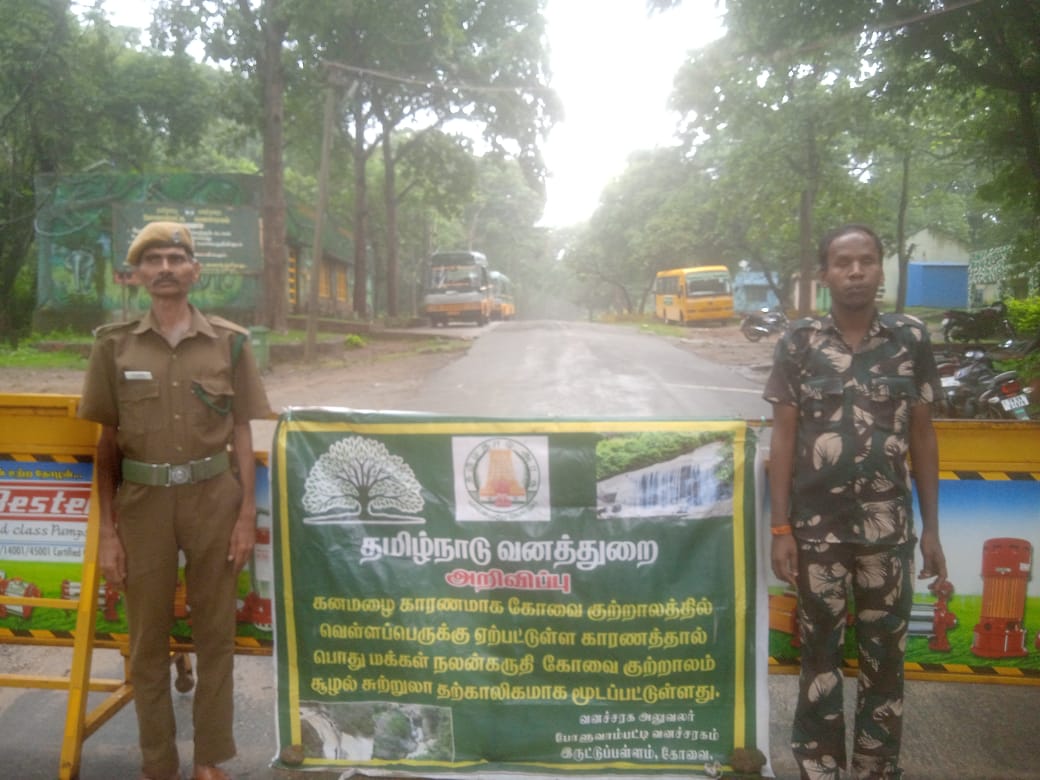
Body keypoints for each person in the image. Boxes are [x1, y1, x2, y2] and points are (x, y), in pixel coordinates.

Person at [78, 221, 272, 780]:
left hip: (214, 499)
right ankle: (156, 762)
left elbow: (241, 432)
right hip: (142, 503)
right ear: (136, 276)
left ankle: (210, 758)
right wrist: (109, 533)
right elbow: (106, 444)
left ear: (194, 271)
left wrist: (244, 515)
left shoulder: (229, 342)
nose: (164, 267)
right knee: (146, 642)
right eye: (152, 260)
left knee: (216, 634)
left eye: (175, 258)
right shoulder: (113, 345)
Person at [763, 223, 948, 780]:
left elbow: (923, 436)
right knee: (818, 660)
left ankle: (875, 770)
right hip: (817, 534)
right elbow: (784, 436)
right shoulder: (799, 343)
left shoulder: (910, 339)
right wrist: (781, 530)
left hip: (887, 535)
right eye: (843, 263)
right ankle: (820, 769)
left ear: (881, 269)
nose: (856, 272)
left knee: (885, 663)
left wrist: (932, 530)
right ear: (825, 274)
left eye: (866, 261)